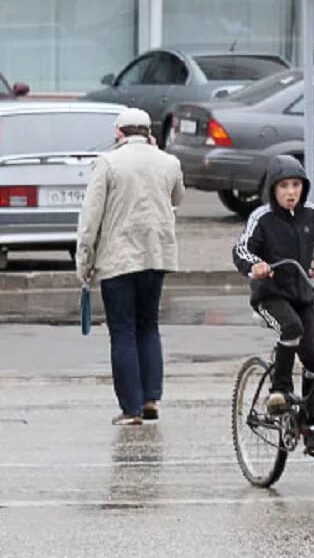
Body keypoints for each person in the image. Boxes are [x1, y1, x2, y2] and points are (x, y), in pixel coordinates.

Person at [76, 108, 185, 426]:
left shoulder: (107, 163)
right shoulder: (169, 162)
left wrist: (84, 260)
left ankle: (131, 409)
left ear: (119, 134)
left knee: (122, 331)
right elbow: (178, 197)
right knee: (148, 326)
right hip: (157, 256)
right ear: (148, 133)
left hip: (118, 258)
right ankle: (151, 398)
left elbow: (91, 216)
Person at [232, 155, 314, 454]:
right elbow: (241, 250)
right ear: (273, 189)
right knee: (291, 328)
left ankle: (309, 420)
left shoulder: (312, 214)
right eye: (283, 186)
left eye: (296, 185)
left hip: (302, 294)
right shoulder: (262, 218)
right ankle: (279, 390)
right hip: (270, 296)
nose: (291, 192)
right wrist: (257, 265)